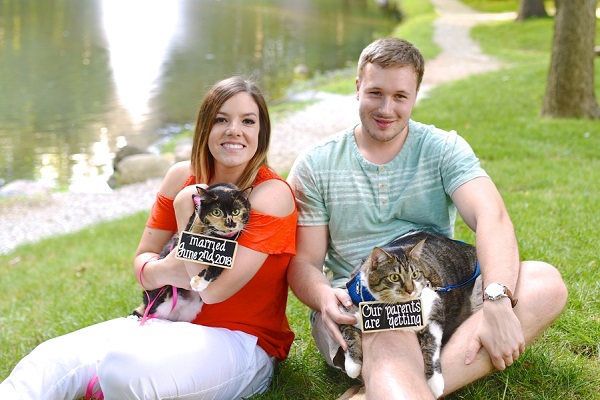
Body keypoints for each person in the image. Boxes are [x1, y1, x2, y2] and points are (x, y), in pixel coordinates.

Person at [286, 37, 568, 399]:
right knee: (389, 332)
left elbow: (491, 216)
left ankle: (381, 391)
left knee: (545, 284)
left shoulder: (443, 148)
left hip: (442, 296)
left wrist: (497, 301)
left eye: (400, 96)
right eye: (375, 93)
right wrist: (324, 296)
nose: (386, 108)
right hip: (365, 305)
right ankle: (398, 380)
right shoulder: (316, 164)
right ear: (357, 88)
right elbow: (304, 262)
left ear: (416, 95)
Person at [0, 76, 297, 399]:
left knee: (124, 370)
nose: (234, 130)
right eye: (221, 119)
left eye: (248, 121)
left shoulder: (270, 195)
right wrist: (166, 269)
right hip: (162, 321)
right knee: (47, 362)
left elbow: (212, 290)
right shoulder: (181, 176)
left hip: (239, 340)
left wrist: (188, 210)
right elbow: (142, 263)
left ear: (261, 132)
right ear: (204, 127)